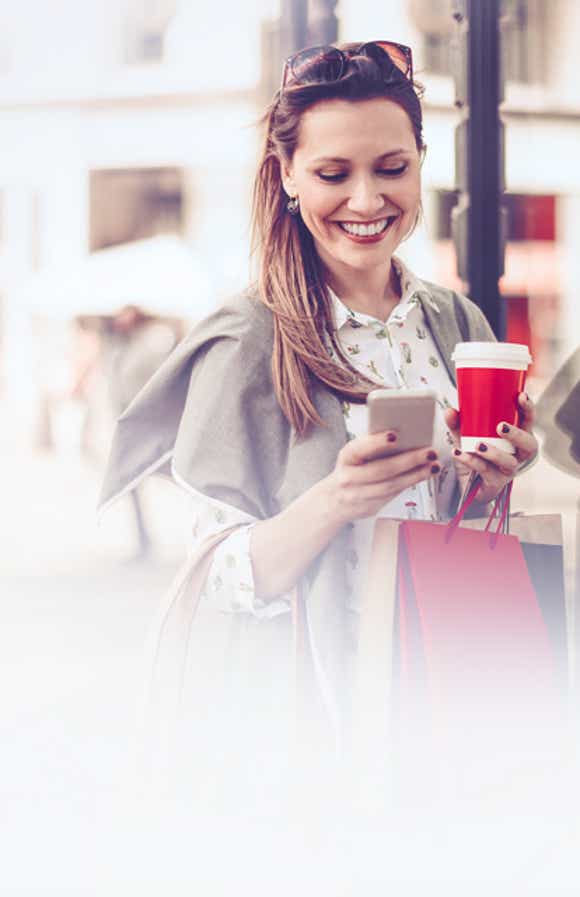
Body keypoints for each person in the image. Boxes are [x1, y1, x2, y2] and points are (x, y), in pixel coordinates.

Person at [98, 41, 539, 778]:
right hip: (314, 737)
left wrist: (493, 476)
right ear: (290, 176)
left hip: (452, 700)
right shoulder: (247, 338)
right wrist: (336, 498)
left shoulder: (458, 324)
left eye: (391, 168)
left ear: (422, 161)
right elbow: (219, 576)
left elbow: (452, 513)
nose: (367, 201)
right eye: (334, 173)